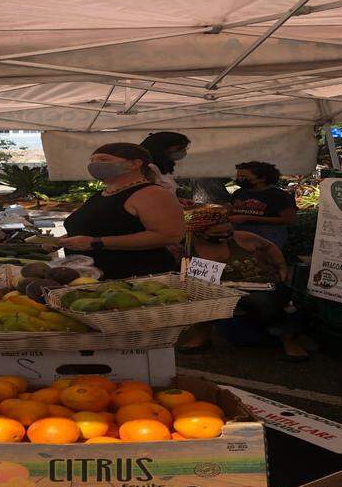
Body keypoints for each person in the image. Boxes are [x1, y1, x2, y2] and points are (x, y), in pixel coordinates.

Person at [175, 205, 306, 361]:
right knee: (197, 294)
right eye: (217, 233)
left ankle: (288, 339)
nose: (225, 235)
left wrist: (281, 266)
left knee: (264, 301)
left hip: (260, 286)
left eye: (228, 231)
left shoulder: (242, 237)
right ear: (198, 232)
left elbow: (269, 246)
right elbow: (183, 274)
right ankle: (202, 335)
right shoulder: (188, 246)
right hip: (221, 290)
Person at [56, 143, 185, 279]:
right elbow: (103, 228)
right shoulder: (103, 194)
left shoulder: (152, 193)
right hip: (97, 278)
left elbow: (169, 235)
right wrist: (66, 239)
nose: (94, 165)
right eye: (92, 161)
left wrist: (96, 242)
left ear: (134, 164)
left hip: (137, 278)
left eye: (103, 159)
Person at [228, 161, 297, 249]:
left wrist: (248, 218)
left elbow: (289, 220)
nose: (239, 179)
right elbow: (231, 210)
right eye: (238, 176)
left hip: (267, 237)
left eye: (244, 176)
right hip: (239, 235)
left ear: (262, 178)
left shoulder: (278, 196)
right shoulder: (239, 192)